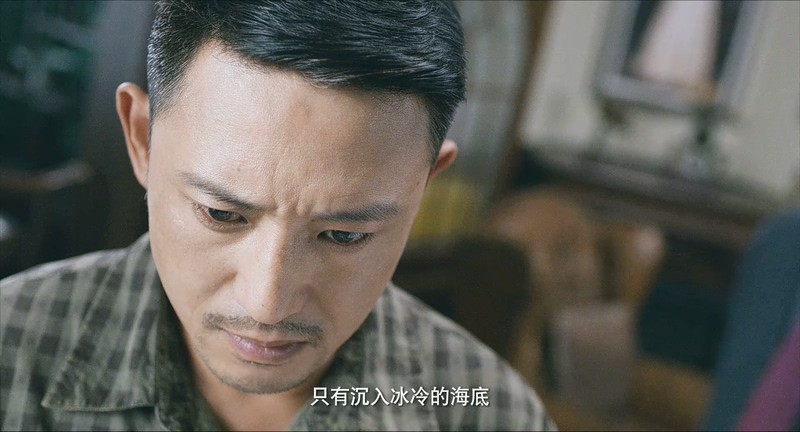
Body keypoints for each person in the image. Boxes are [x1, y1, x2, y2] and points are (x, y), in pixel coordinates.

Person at [0, 1, 554, 430]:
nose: (268, 303)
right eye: (222, 214)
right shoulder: (10, 354)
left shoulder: (488, 415)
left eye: (344, 235)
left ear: (424, 186)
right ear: (142, 138)